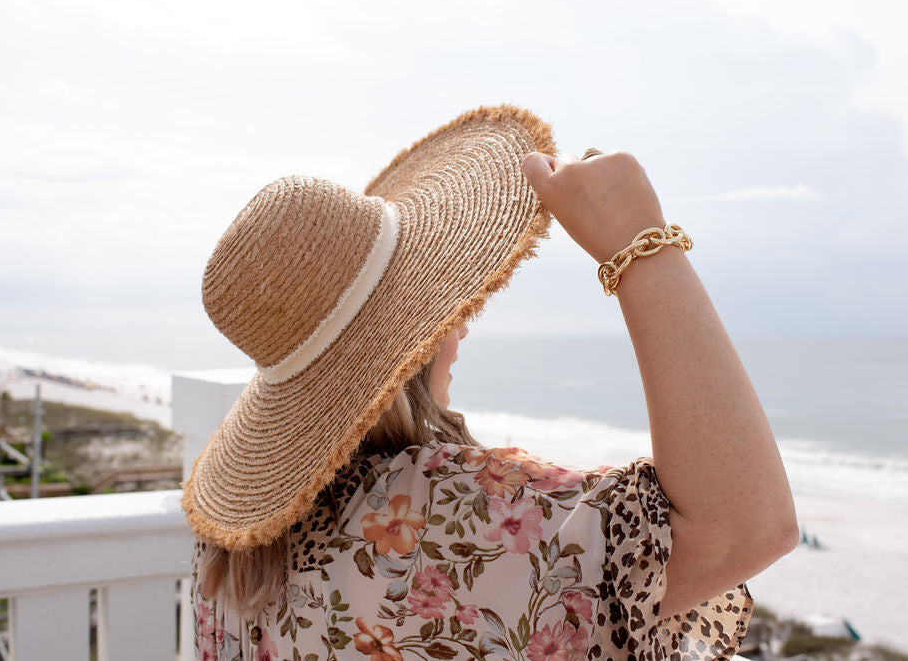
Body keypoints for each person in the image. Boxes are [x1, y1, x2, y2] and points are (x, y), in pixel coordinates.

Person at [182, 105, 800, 660]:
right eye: (451, 312)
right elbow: (745, 525)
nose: (463, 330)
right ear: (413, 346)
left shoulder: (224, 557)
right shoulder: (450, 518)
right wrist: (641, 244)